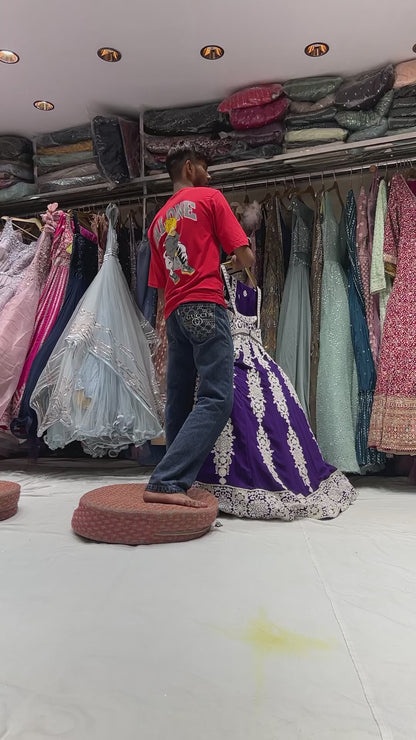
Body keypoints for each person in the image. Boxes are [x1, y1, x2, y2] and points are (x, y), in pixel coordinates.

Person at [144, 143, 254, 508]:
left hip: (174, 313)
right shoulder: (210, 198)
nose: (209, 174)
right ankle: (167, 480)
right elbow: (246, 255)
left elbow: (161, 285)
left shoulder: (156, 223)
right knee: (216, 397)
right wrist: (233, 264)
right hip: (205, 303)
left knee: (178, 398)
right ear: (189, 168)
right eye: (205, 167)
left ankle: (170, 475)